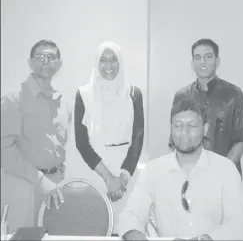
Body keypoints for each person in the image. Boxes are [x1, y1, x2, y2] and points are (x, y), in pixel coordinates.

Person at [118, 99, 243, 240]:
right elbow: (130, 217)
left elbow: (238, 224)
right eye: (178, 126)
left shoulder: (226, 169)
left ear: (205, 129)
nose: (183, 132)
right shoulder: (153, 171)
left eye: (191, 126)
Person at [74, 41, 144, 235]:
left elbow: (138, 137)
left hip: (127, 174)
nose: (109, 66)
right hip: (95, 170)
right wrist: (108, 178)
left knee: (127, 229)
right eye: (103, 60)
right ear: (96, 63)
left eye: (114, 60)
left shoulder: (133, 93)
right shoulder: (84, 94)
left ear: (120, 62)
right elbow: (81, 142)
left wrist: (122, 177)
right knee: (95, 229)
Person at [1, 39, 71, 233]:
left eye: (51, 57)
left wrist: (57, 172)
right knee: (24, 236)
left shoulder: (63, 101)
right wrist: (42, 180)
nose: (46, 61)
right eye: (40, 57)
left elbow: (57, 144)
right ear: (30, 63)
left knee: (52, 235)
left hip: (54, 185)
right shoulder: (13, 99)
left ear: (59, 63)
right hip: (23, 186)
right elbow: (5, 152)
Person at [172, 39, 243, 177]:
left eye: (208, 57)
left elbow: (241, 140)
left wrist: (220, 172)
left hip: (226, 176)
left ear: (217, 61)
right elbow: (175, 139)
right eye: (198, 57)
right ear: (192, 63)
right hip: (190, 176)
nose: (203, 62)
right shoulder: (181, 96)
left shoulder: (234, 94)